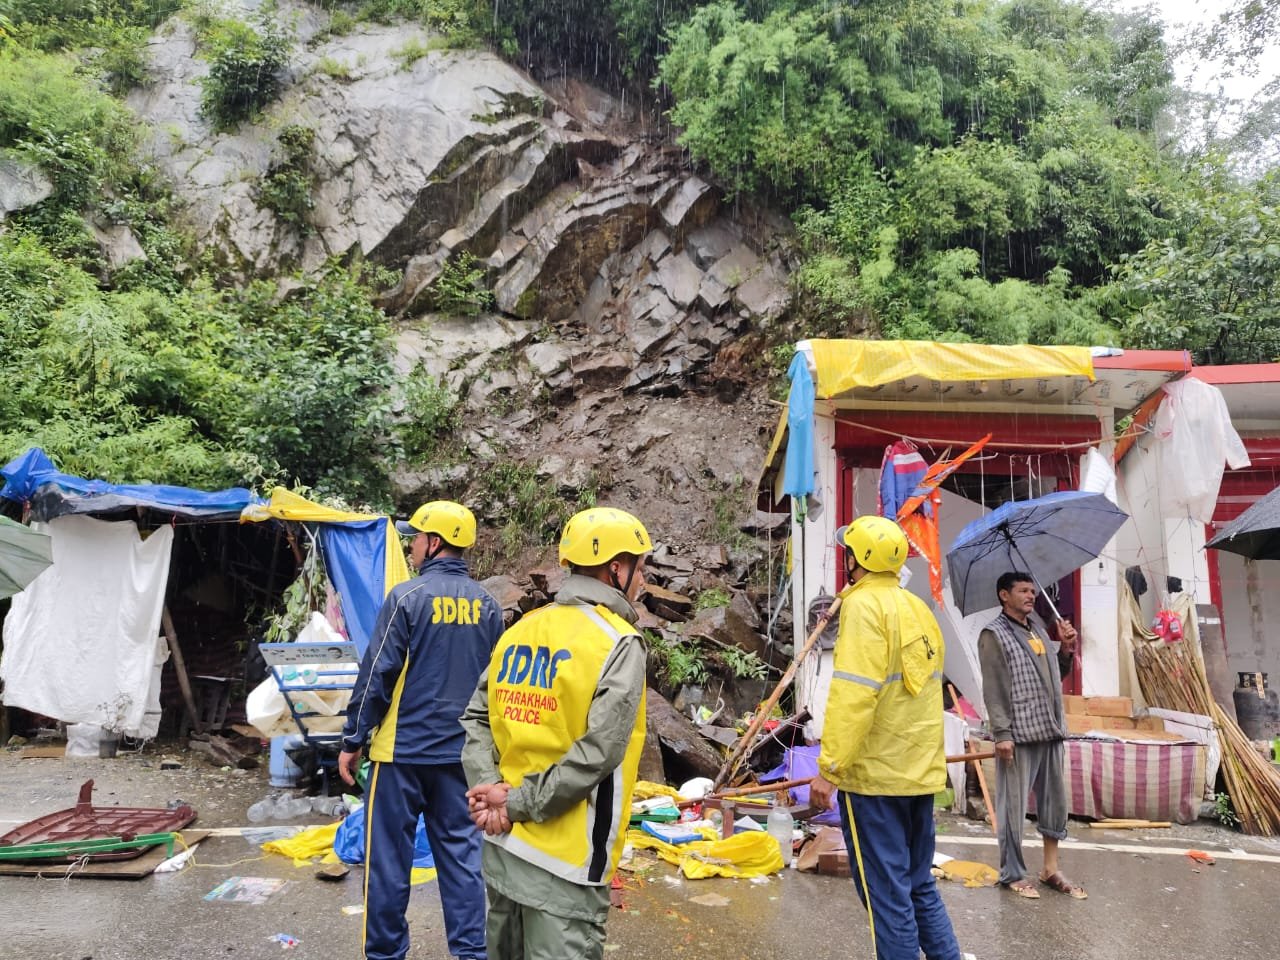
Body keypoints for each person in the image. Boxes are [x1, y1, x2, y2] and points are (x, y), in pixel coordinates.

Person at [460, 506, 651, 960]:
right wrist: (515, 804)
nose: (644, 581)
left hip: (503, 847)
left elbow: (477, 718)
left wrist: (489, 793)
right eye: (641, 567)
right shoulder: (619, 642)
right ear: (616, 568)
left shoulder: (522, 630)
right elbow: (598, 752)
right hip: (566, 866)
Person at [338, 500, 504, 960]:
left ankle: (386, 954)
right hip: (462, 759)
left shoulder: (407, 598)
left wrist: (353, 739)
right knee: (463, 862)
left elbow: (377, 674)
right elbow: (495, 686)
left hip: (401, 756)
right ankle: (472, 953)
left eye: (415, 538)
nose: (412, 547)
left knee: (388, 864)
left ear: (434, 542)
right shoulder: (489, 606)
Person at [809, 516, 962, 960]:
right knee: (918, 884)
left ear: (856, 559)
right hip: (918, 775)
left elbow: (855, 696)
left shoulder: (862, 608)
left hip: (875, 780)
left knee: (887, 895)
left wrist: (830, 768)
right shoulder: (917, 608)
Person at [977, 570, 1086, 900]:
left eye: (1032, 591)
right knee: (1012, 806)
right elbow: (994, 688)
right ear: (1004, 595)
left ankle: (1050, 868)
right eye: (1023, 591)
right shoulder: (993, 634)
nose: (1030, 596)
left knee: (1054, 803)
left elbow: (1056, 675)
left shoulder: (1037, 628)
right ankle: (1012, 873)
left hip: (1049, 728)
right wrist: (1002, 733)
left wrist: (1066, 648)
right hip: (1019, 733)